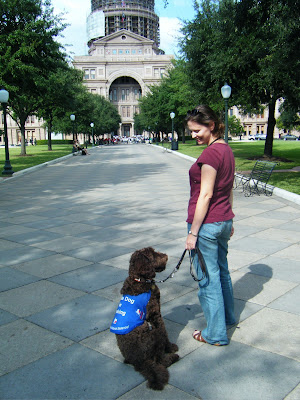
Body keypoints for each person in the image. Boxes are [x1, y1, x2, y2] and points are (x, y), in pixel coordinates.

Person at [185, 104, 236, 346]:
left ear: (211, 125)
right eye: (191, 131)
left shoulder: (210, 155)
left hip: (207, 225)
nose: (193, 135)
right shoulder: (226, 149)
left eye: (197, 131)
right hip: (223, 221)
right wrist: (230, 217)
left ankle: (214, 334)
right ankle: (227, 318)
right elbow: (228, 188)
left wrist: (193, 233)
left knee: (208, 279)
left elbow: (205, 195)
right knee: (222, 271)